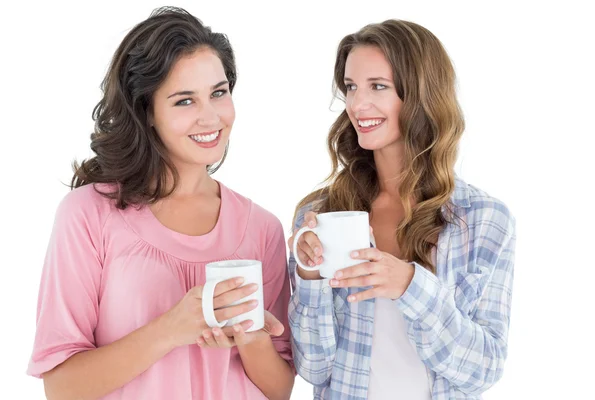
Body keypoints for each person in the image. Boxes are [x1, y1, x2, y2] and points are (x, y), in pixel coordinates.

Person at [27, 7, 294, 400]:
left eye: (218, 93)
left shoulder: (262, 229)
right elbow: (62, 387)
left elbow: (280, 389)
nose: (211, 117)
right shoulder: (87, 215)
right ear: (147, 111)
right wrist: (172, 328)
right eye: (184, 101)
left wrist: (251, 338)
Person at [288, 19, 516, 400]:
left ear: (421, 95)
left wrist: (410, 287)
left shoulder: (484, 219)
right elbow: (313, 367)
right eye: (351, 87)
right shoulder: (324, 215)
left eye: (378, 86)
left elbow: (483, 369)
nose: (358, 104)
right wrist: (309, 277)